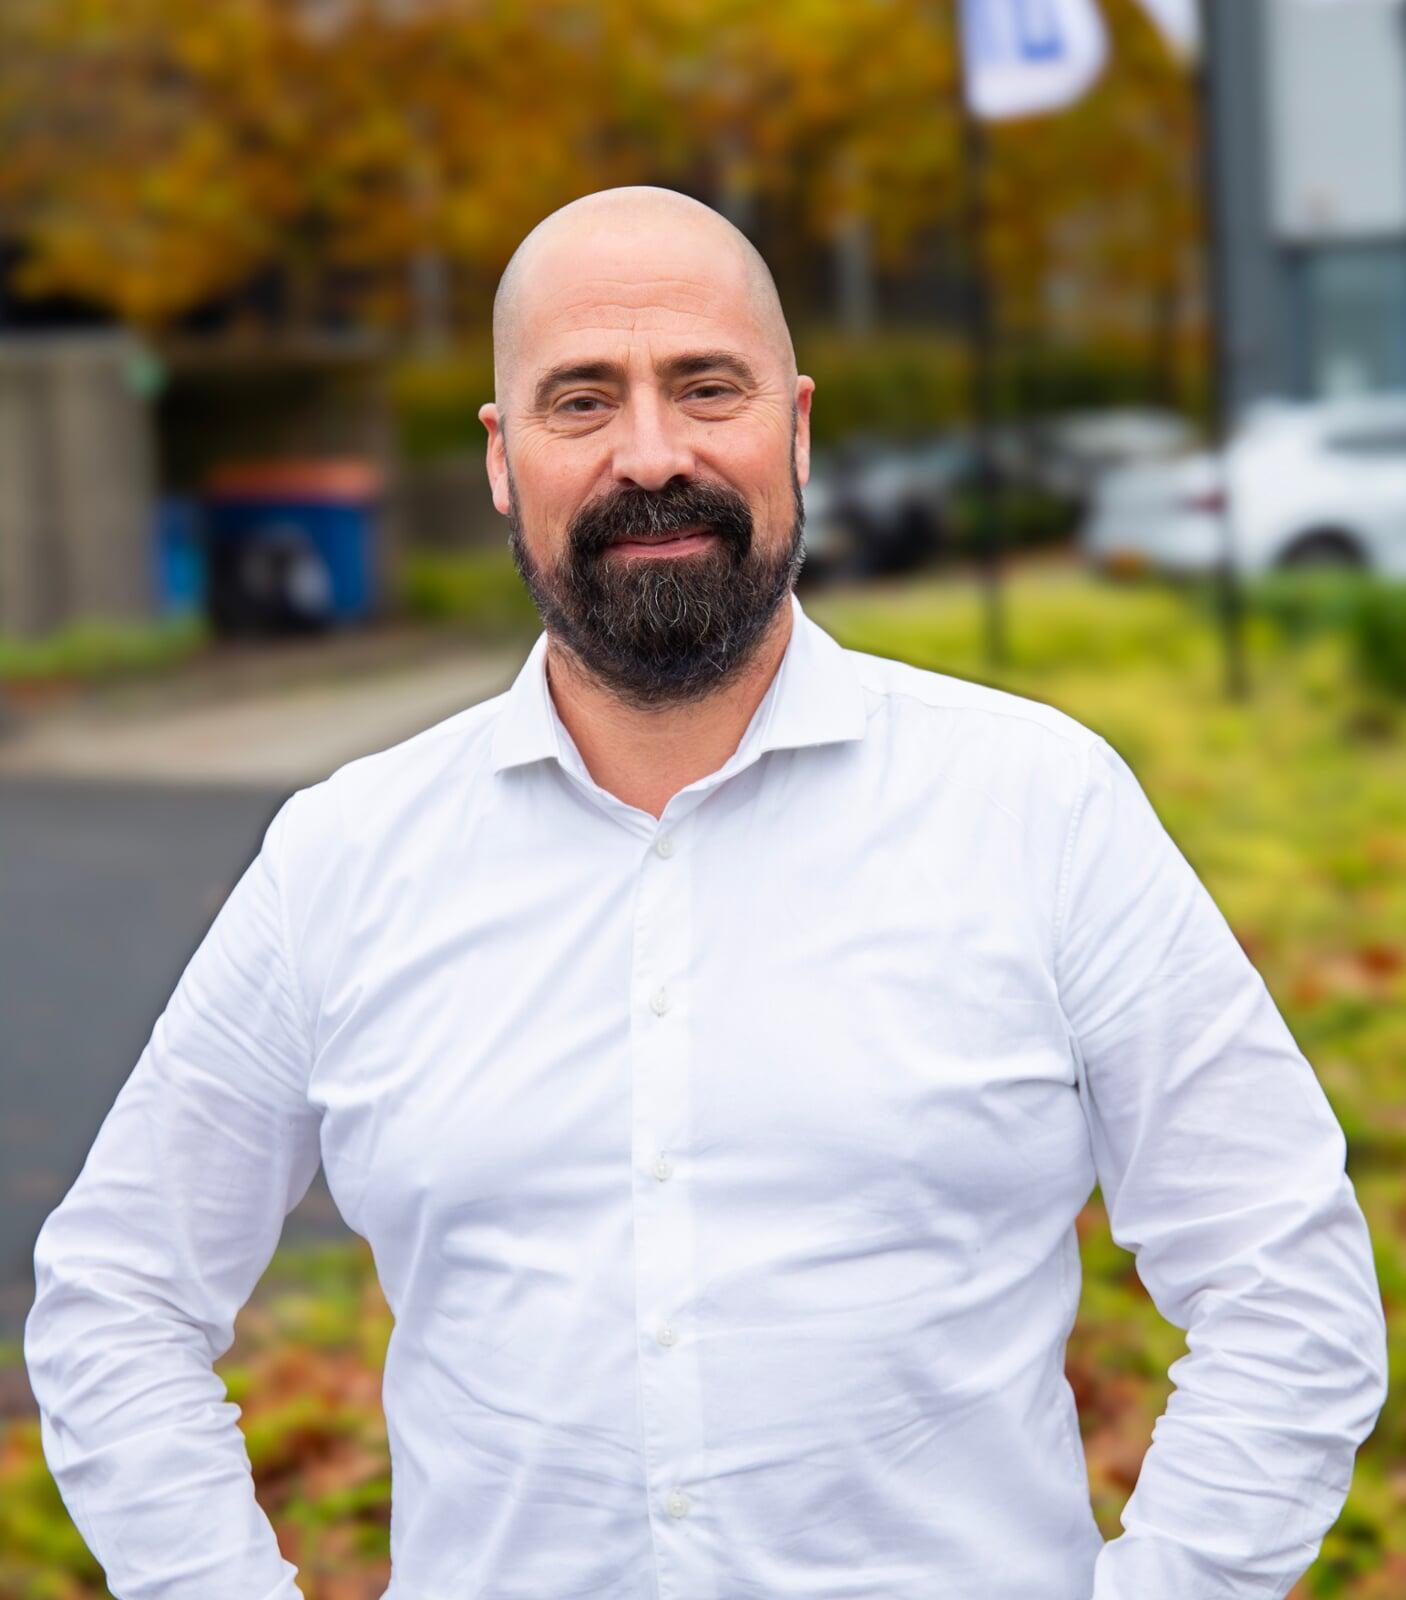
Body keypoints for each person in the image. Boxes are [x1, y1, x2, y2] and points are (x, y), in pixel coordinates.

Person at [25, 186, 1387, 1600]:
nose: (651, 454)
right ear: (500, 460)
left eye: (705, 387)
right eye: (580, 401)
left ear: (795, 427)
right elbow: (119, 1300)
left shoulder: (1039, 809)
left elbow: (1284, 1286)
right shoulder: (345, 859)